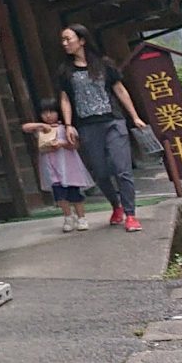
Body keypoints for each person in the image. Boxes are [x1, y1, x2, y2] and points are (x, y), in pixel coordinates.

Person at [57, 23, 141, 232]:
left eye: (68, 39)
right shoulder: (65, 70)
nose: (65, 43)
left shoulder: (104, 65)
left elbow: (120, 90)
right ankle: (116, 205)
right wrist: (68, 125)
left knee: (122, 169)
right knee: (100, 172)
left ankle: (131, 214)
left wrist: (135, 117)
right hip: (87, 126)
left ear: (82, 40)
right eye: (63, 40)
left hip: (112, 121)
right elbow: (65, 99)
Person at [20, 100, 95, 231]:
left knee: (75, 195)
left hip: (69, 168)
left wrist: (62, 144)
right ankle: (68, 217)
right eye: (44, 113)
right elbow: (25, 127)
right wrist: (41, 125)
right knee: (60, 196)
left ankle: (82, 218)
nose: (48, 115)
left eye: (52, 112)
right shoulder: (41, 130)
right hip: (52, 169)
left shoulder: (66, 128)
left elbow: (75, 145)